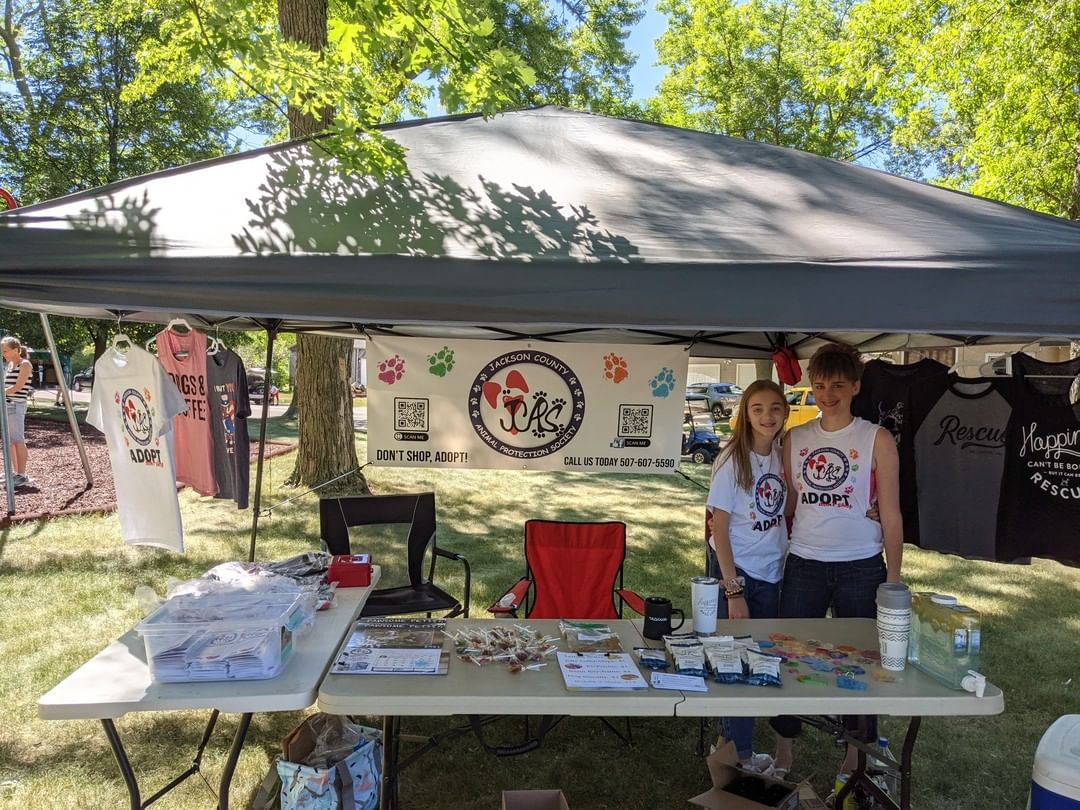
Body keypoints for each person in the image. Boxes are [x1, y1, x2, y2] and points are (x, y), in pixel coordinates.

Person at [769, 342, 903, 784]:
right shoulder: (796, 438)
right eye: (820, 385)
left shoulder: (876, 438)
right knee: (789, 655)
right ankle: (783, 748)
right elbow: (786, 502)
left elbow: (892, 512)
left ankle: (856, 756)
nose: (828, 394)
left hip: (862, 565)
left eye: (838, 386)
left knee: (863, 663)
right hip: (805, 562)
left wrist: (894, 580)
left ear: (856, 387)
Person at [706, 380, 790, 771]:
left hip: (773, 573)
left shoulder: (782, 455)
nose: (766, 416)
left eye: (775, 408)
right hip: (737, 574)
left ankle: (731, 746)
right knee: (735, 663)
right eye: (757, 409)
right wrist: (733, 590)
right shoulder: (730, 459)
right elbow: (717, 530)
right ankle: (736, 755)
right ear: (745, 414)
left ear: (785, 412)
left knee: (758, 661)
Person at [2, 336, 34, 488]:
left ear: (16, 350)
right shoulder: (9, 365)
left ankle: (22, 475)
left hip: (16, 405)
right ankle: (15, 473)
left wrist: (2, 393)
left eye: (6, 351)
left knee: (18, 440)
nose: (3, 353)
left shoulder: (25, 364)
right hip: (6, 406)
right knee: (10, 442)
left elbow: (18, 387)